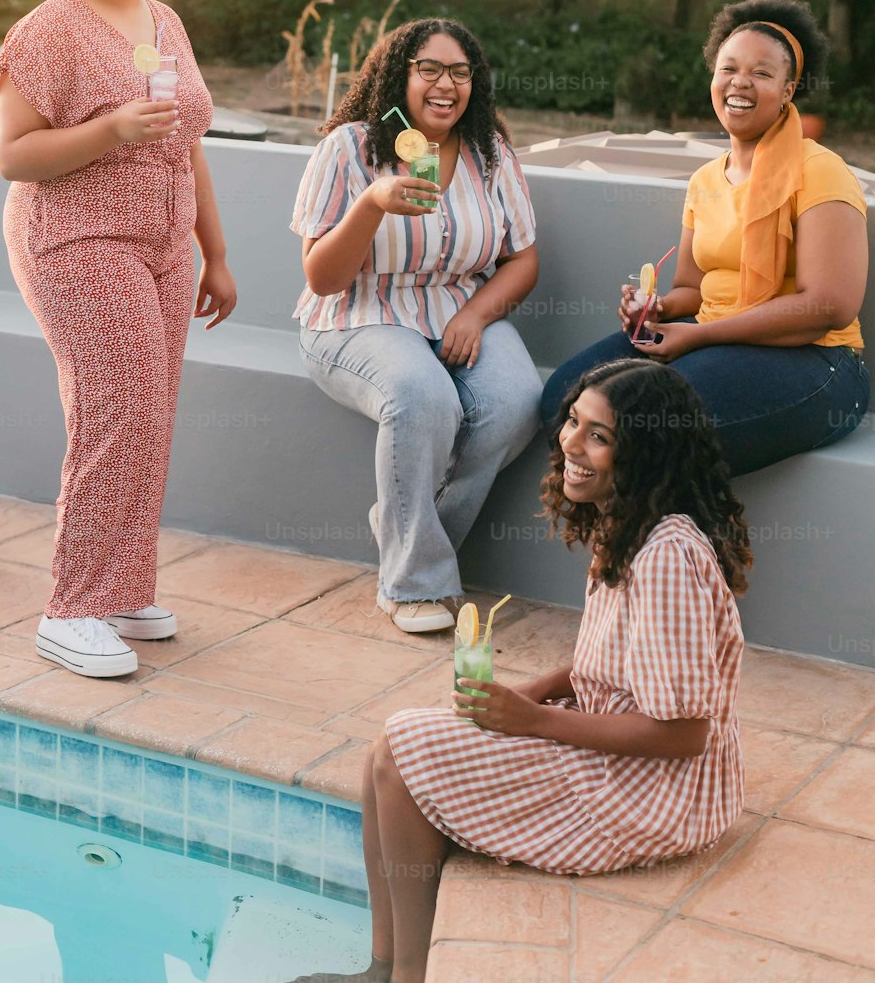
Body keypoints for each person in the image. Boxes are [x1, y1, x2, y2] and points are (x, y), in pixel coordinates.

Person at [288, 359, 752, 983]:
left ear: (645, 451)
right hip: (618, 745)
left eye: (600, 436)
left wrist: (534, 721)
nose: (571, 443)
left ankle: (407, 978)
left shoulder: (667, 556)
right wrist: (538, 690)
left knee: (402, 748)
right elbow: (621, 658)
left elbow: (684, 734)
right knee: (386, 754)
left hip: (658, 794)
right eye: (573, 422)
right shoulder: (629, 523)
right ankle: (382, 965)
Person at [0, 0, 236, 678]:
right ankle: (71, 609)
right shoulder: (50, 31)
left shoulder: (165, 22)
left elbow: (187, 139)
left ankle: (122, 587)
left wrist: (217, 252)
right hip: (76, 237)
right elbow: (13, 156)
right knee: (119, 408)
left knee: (152, 412)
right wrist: (111, 130)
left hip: (165, 244)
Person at [541, 0, 869, 476]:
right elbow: (692, 290)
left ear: (788, 89)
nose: (740, 82)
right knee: (562, 399)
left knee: (653, 423)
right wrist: (657, 308)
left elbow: (827, 306)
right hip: (712, 338)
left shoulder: (821, 170)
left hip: (817, 361)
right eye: (728, 68)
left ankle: (671, 549)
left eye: (762, 72)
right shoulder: (705, 180)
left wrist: (699, 338)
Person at [291, 17, 542, 634]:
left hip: (459, 308)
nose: (446, 85)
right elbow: (323, 278)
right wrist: (371, 206)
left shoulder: (490, 154)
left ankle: (405, 524)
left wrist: (478, 314)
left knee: (516, 402)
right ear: (397, 75)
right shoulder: (349, 148)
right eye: (428, 69)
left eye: (460, 73)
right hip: (359, 313)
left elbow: (524, 259)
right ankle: (413, 584)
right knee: (421, 395)